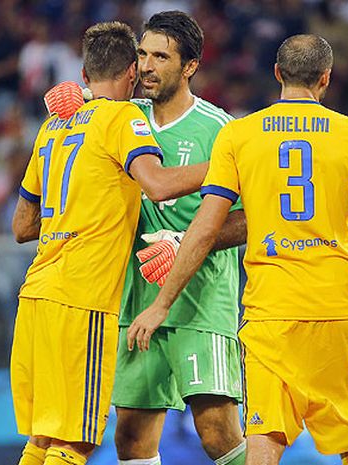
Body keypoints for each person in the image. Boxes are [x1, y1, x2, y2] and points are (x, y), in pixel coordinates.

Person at [127, 34, 348, 465]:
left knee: (264, 443)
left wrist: (161, 304)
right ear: (326, 78)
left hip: (270, 313)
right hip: (339, 307)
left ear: (277, 74)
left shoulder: (240, 135)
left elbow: (205, 229)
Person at [10, 21, 208, 465]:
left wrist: (78, 212)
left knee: (42, 439)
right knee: (74, 442)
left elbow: (22, 225)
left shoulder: (53, 126)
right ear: (131, 75)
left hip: (36, 296)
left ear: (83, 76)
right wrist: (228, 167)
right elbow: (156, 185)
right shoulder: (124, 118)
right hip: (83, 300)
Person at [111, 12, 247, 465]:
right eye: (142, 54)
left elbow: (252, 219)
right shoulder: (123, 118)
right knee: (131, 439)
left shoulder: (221, 130)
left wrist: (185, 241)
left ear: (189, 66)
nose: (146, 66)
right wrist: (74, 108)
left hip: (200, 300)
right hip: (135, 300)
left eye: (160, 57)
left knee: (217, 434)